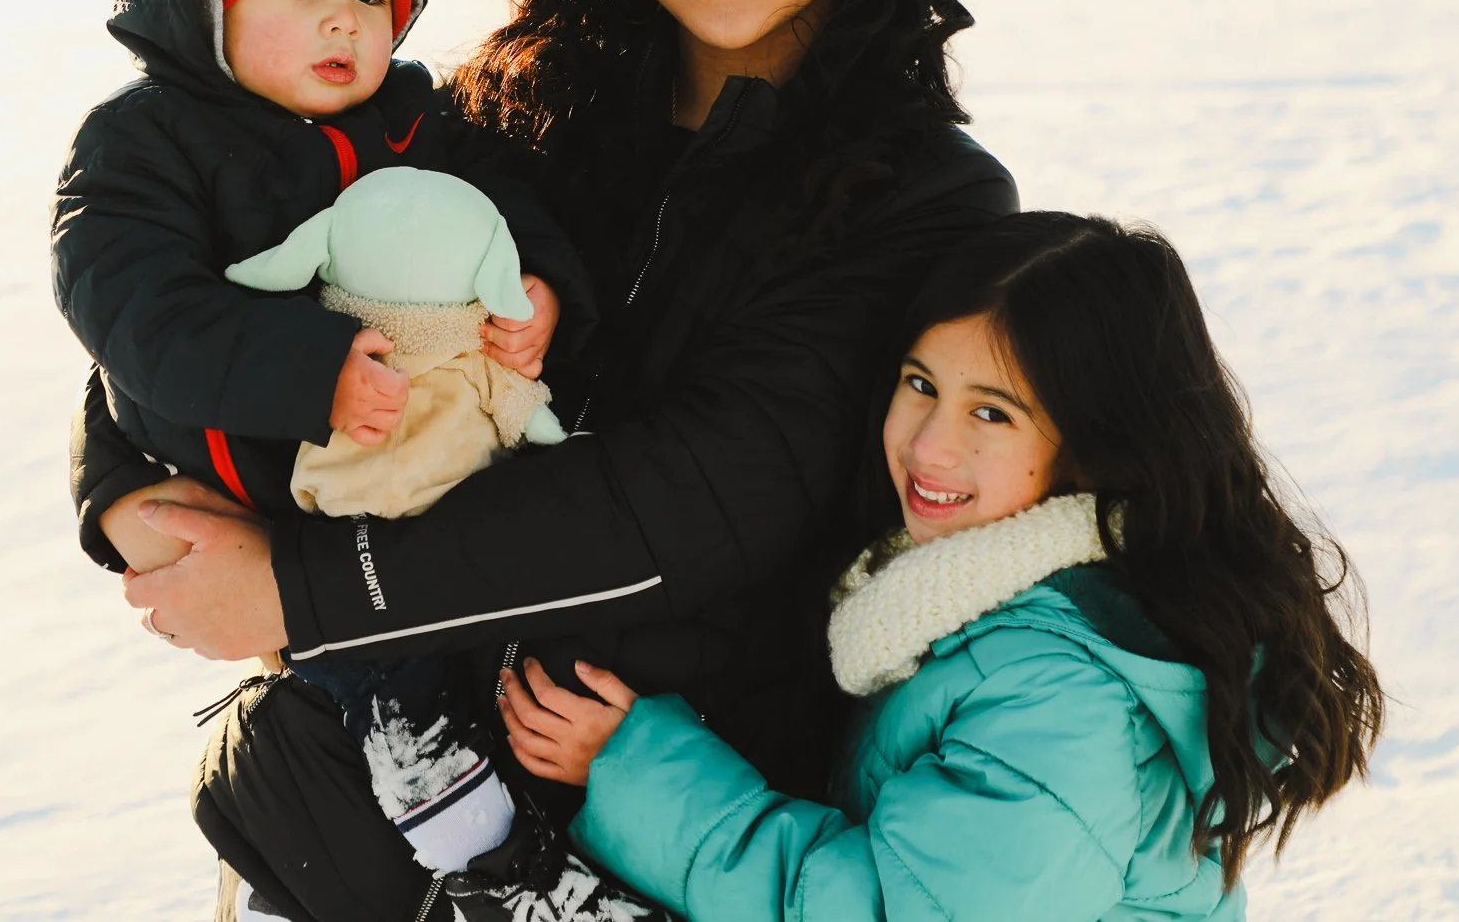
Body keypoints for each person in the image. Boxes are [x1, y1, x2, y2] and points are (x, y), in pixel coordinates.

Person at [82, 0, 1020, 921]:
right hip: (338, 806)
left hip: (669, 825)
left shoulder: (923, 199)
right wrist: (123, 490)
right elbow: (183, 277)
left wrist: (305, 586)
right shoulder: (505, 107)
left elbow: (709, 493)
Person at [502, 212, 1388, 921]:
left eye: (993, 415)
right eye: (921, 383)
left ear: (1092, 446)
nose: (930, 445)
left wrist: (644, 770)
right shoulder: (979, 597)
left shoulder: (1063, 699)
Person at [52, 0, 592, 895]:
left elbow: (505, 218)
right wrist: (310, 370)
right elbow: (133, 309)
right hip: (269, 485)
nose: (341, 20)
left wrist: (541, 295)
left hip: (434, 478)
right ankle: (472, 846)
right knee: (366, 670)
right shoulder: (143, 145)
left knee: (480, 644)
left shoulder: (418, 123)